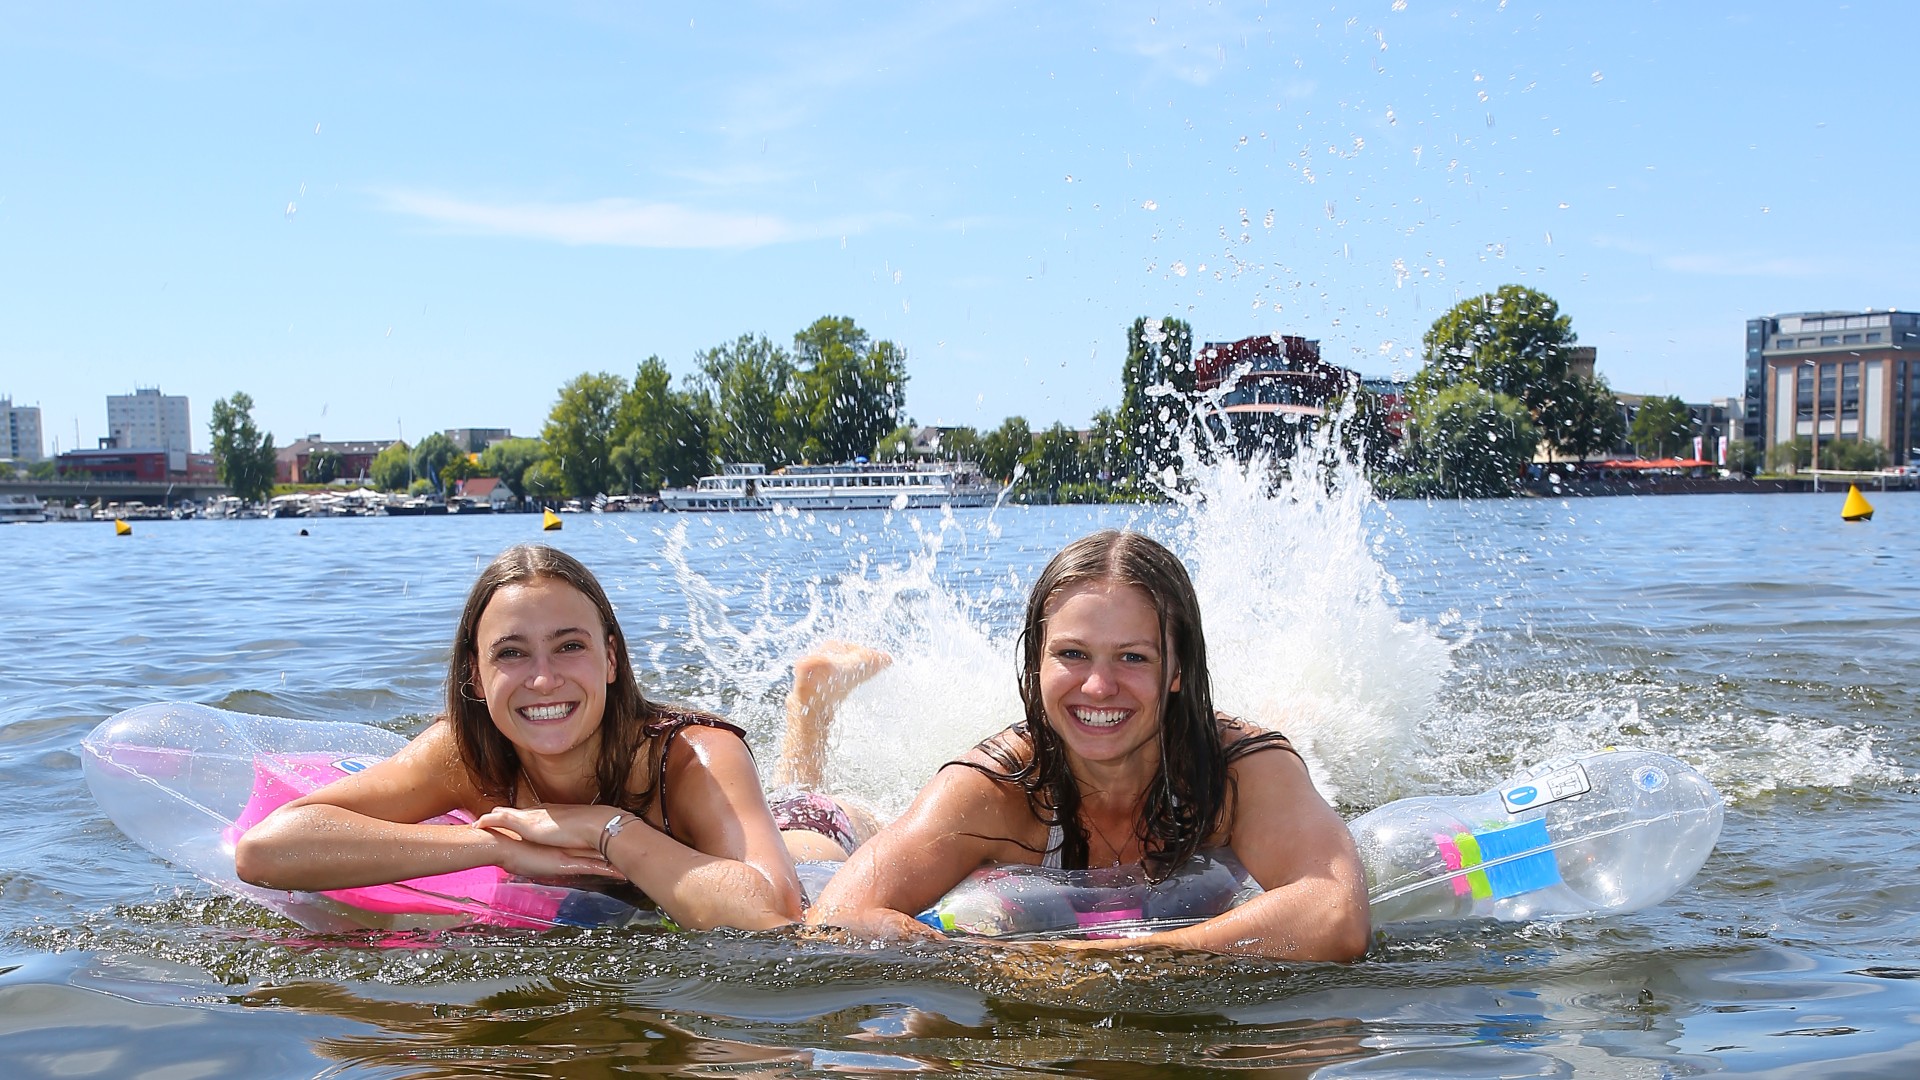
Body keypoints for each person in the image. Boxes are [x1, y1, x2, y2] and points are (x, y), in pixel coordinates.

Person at [804, 529, 1372, 960]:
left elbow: (1336, 912)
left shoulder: (1240, 772)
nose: (1099, 686)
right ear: (1037, 663)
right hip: (857, 831)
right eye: (1072, 654)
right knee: (818, 835)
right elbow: (834, 916)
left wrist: (1115, 958)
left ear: (1177, 669)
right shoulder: (994, 787)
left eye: (1133, 657)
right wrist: (978, 962)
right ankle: (811, 713)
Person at [234, 543, 815, 932]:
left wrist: (602, 828)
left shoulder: (693, 757)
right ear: (475, 677)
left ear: (610, 658)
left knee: (811, 825)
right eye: (511, 653)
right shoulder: (463, 756)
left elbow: (775, 912)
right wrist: (496, 848)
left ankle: (813, 705)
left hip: (801, 832)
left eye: (570, 646)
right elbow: (266, 850)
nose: (543, 679)